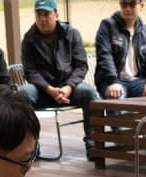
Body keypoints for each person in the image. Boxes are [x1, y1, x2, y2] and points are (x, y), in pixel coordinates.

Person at [19, 0, 100, 158]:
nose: (42, 19)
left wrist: (68, 87)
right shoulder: (29, 38)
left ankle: (94, 145)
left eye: (47, 14)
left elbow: (81, 65)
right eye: (39, 15)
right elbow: (30, 71)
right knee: (23, 94)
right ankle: (32, 146)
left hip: (70, 88)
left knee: (89, 92)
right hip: (42, 90)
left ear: (56, 14)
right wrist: (49, 89)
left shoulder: (71, 34)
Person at [94, 0, 146, 100]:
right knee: (116, 96)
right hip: (112, 82)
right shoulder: (107, 26)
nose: (127, 8)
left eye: (132, 4)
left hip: (138, 82)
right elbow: (104, 56)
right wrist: (113, 81)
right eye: (124, 4)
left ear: (141, 6)